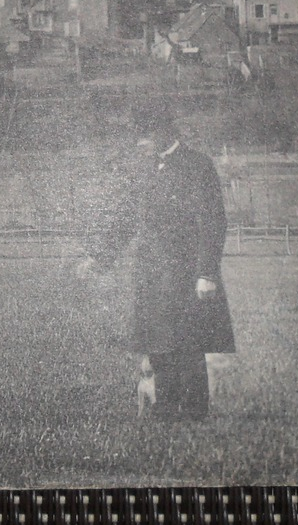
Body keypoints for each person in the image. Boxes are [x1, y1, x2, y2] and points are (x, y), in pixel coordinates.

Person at [81, 104, 235, 420]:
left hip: (185, 271)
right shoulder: (143, 170)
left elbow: (212, 221)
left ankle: (193, 412)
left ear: (166, 132)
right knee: (158, 342)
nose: (140, 142)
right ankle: (165, 410)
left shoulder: (198, 166)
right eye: (138, 135)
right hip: (150, 272)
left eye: (146, 134)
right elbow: (124, 220)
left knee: (188, 343)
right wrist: (99, 257)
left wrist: (206, 272)